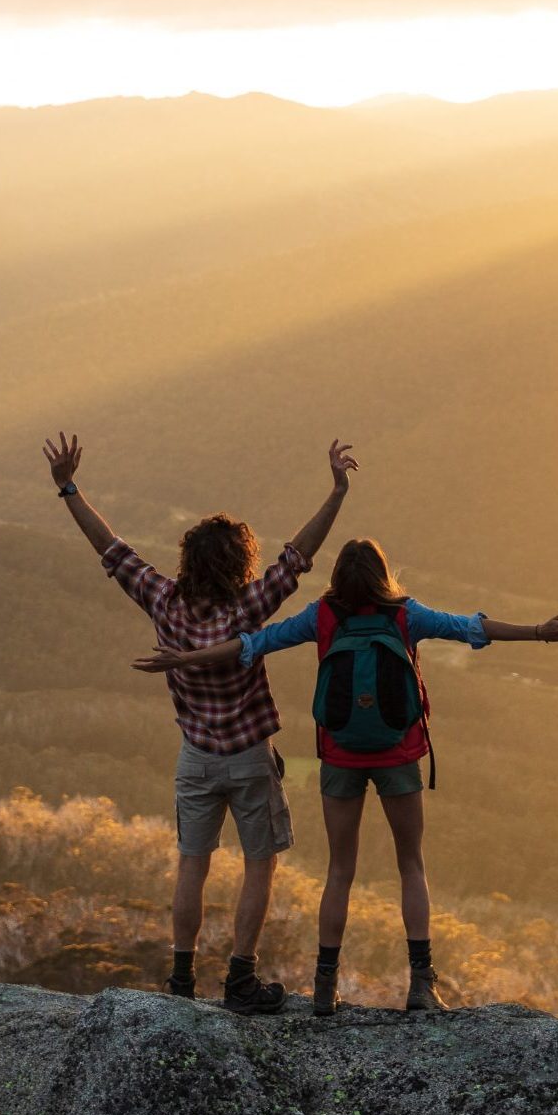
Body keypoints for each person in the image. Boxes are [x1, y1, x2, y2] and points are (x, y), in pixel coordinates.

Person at [136, 536, 558, 1015]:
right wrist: (538, 631)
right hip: (398, 754)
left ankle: (325, 989)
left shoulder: (321, 616)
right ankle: (420, 985)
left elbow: (252, 644)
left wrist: (185, 659)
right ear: (382, 574)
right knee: (410, 864)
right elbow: (470, 628)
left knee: (339, 870)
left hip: (341, 758)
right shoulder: (405, 614)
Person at [43, 431, 359, 1014]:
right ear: (240, 564)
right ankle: (240, 980)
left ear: (189, 561)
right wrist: (336, 491)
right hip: (249, 755)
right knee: (258, 865)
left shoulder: (163, 601)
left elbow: (110, 548)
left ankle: (182, 982)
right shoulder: (247, 608)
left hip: (195, 756)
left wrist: (68, 487)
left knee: (193, 863)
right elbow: (299, 556)